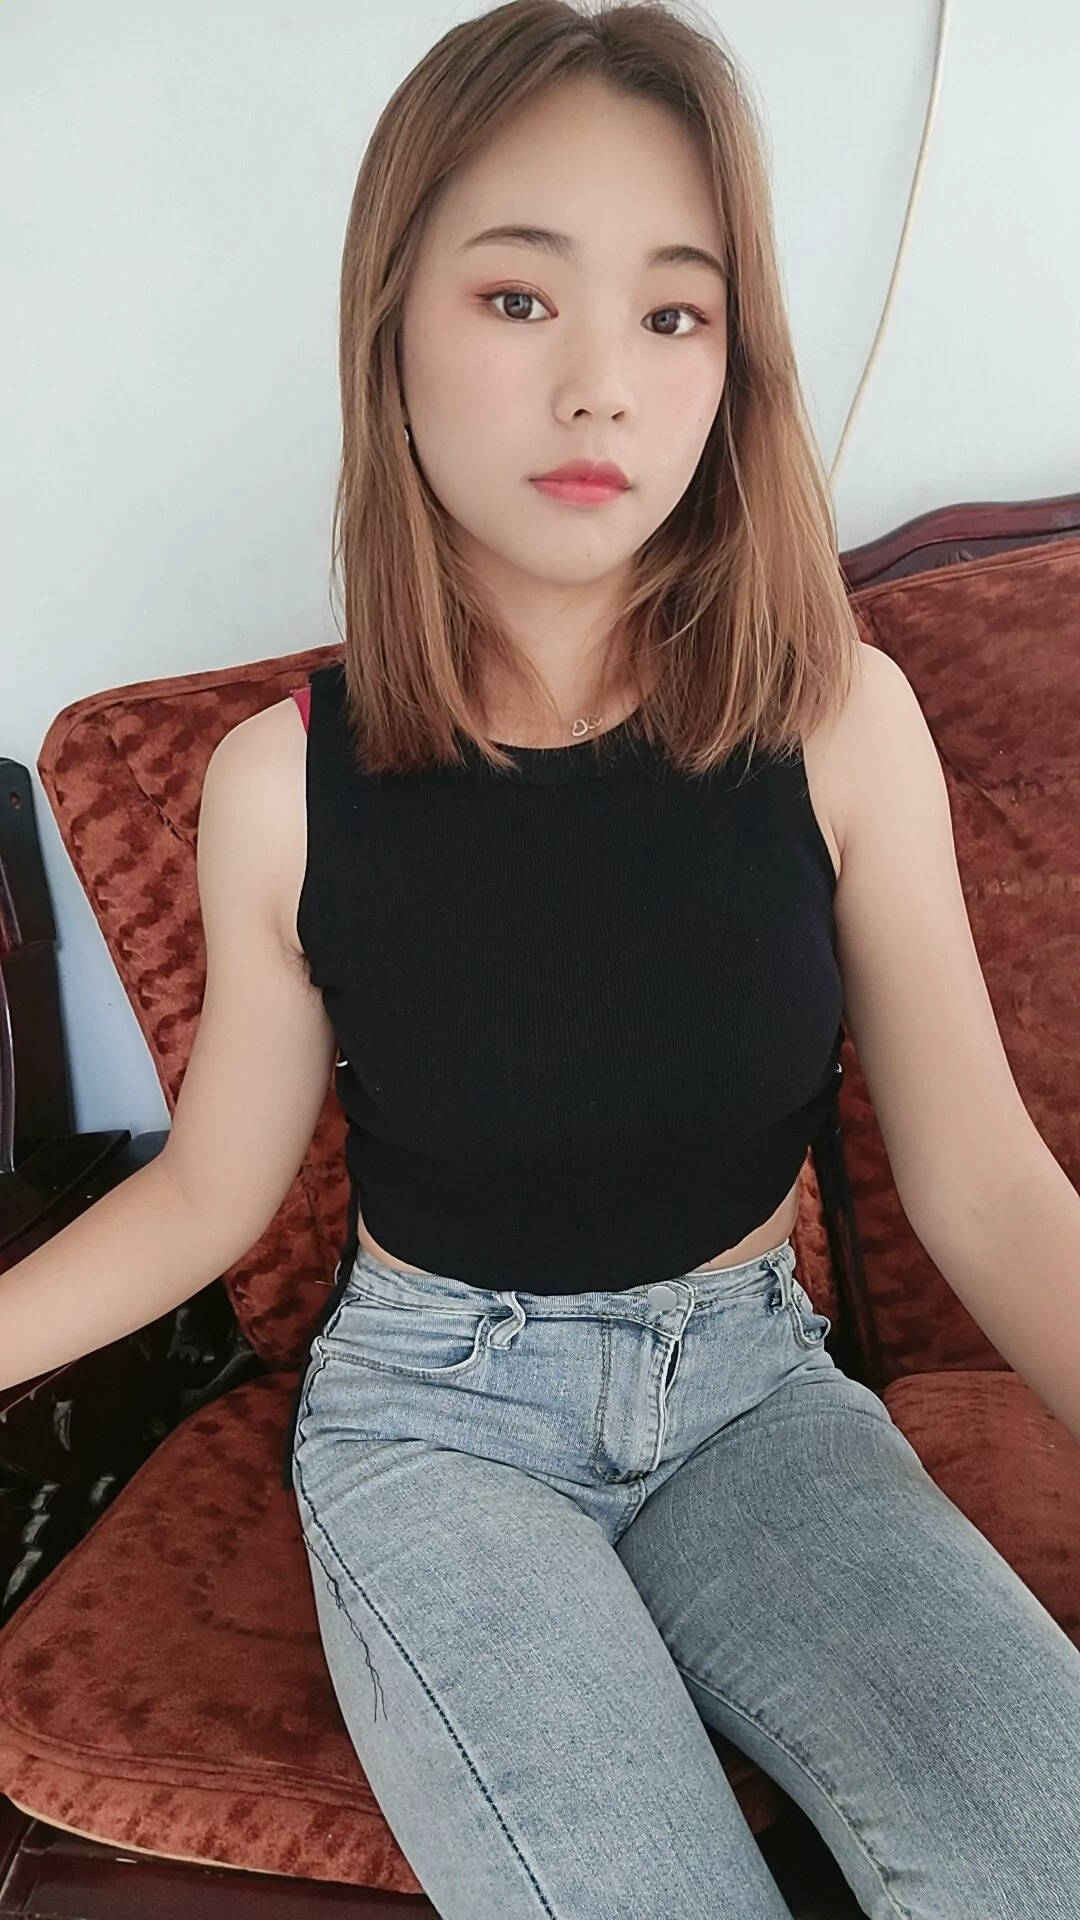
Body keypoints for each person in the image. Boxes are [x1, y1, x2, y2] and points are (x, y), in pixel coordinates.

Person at [5, 3, 1080, 1916]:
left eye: (674, 313)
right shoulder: (281, 789)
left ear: (733, 366)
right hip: (439, 1428)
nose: (602, 388)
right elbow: (208, 1199)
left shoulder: (843, 722)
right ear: (393, 335)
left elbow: (990, 1187)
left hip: (758, 1396)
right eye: (518, 299)